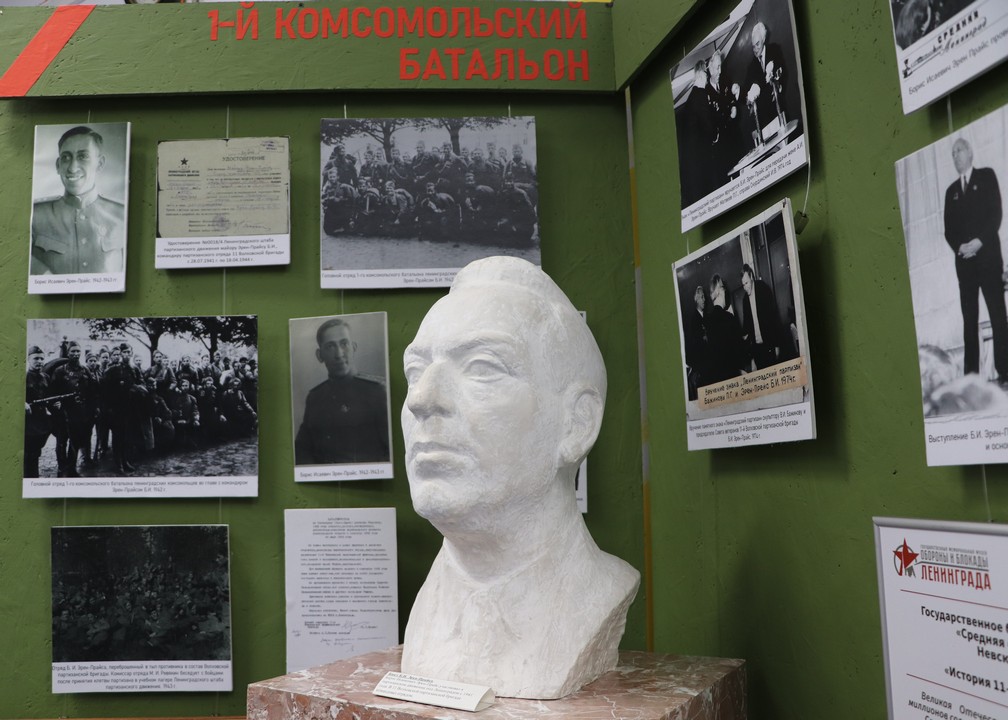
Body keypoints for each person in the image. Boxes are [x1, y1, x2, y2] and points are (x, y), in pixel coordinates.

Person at [400, 257, 640, 699]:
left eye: (482, 367)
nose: (421, 398)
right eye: (415, 372)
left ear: (577, 424)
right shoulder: (427, 620)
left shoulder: (599, 595)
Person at [943, 137, 1008, 382]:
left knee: (998, 316)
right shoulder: (951, 192)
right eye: (952, 153)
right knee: (969, 322)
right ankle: (971, 379)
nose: (955, 156)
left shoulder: (987, 176)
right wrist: (960, 247)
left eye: (959, 150)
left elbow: (996, 214)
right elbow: (949, 230)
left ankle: (1005, 370)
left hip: (989, 259)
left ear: (970, 152)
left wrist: (979, 241)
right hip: (966, 266)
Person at [30, 126, 125, 276]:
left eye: (83, 157)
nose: (72, 168)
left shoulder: (122, 215)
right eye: (66, 158)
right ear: (58, 166)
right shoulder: (35, 215)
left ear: (100, 164)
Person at [294, 318, 390, 465]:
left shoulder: (377, 392)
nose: (339, 354)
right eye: (330, 346)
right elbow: (301, 450)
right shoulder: (315, 398)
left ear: (354, 347)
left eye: (344, 344)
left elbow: (391, 452)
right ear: (320, 355)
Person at [743, 22, 788, 142]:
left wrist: (777, 85)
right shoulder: (751, 67)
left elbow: (783, 72)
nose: (755, 49)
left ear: (763, 39)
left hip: (779, 110)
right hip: (765, 121)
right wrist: (745, 95)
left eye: (757, 44)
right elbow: (746, 92)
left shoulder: (775, 50)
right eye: (753, 46)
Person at [704, 273, 748, 382]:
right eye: (723, 288)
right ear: (719, 291)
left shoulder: (707, 321)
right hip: (733, 375)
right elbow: (739, 350)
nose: (725, 292)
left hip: (718, 377)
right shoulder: (729, 317)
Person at [740, 264, 783, 370]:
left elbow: (774, 318)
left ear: (751, 277)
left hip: (770, 345)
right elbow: (746, 327)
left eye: (746, 283)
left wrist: (777, 345)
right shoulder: (745, 300)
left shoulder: (763, 289)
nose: (745, 287)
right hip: (757, 350)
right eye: (743, 285)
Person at [24, 345, 54, 478]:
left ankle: (33, 476)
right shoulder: (22, 377)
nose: (39, 361)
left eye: (42, 359)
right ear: (28, 359)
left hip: (42, 421)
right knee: (28, 453)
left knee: (36, 451)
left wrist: (55, 403)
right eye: (36, 358)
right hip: (28, 421)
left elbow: (50, 395)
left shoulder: (45, 377)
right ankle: (29, 478)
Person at [684, 285, 711, 399]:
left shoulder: (707, 317)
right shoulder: (693, 320)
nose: (704, 299)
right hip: (702, 366)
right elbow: (695, 344)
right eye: (701, 297)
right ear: (696, 300)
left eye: (704, 297)